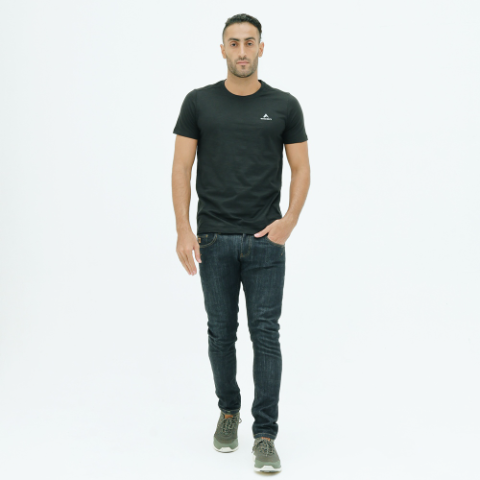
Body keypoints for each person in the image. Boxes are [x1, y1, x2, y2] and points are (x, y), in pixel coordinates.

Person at [171, 13, 310, 473]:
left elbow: (301, 168)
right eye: (234, 43)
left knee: (265, 334)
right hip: (213, 238)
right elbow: (181, 167)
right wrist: (183, 229)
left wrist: (289, 221)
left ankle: (265, 435)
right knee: (220, 332)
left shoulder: (284, 105)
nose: (243, 51)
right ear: (223, 50)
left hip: (266, 241)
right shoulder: (199, 102)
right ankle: (228, 411)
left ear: (261, 48)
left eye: (250, 42)